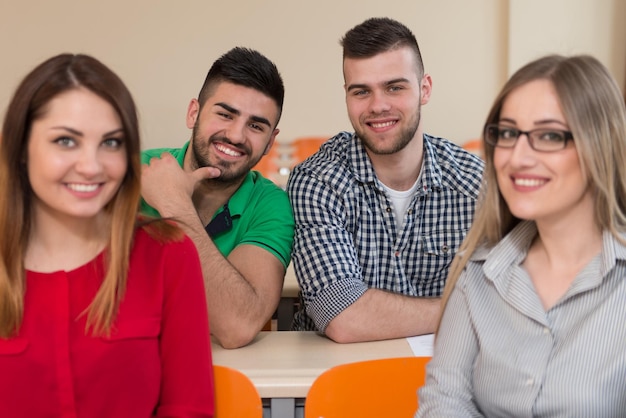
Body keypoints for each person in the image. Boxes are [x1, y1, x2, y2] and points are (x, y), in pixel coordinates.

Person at [0, 54, 214, 417]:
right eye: (66, 141)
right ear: (21, 149)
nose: (92, 166)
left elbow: (188, 407)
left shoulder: (168, 255)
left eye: (111, 143)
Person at [416, 55, 626, 416]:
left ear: (599, 146)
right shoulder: (478, 274)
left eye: (548, 136)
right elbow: (444, 402)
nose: (518, 157)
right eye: (509, 133)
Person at [287, 17, 484, 343]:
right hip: (336, 380)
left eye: (395, 87)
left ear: (425, 89)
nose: (378, 106)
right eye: (361, 91)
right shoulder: (317, 182)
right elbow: (343, 317)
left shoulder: (475, 183)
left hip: (440, 379)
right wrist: (467, 311)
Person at [141, 47, 294, 349]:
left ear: (270, 142)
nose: (236, 136)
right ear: (193, 113)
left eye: (255, 126)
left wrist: (175, 206)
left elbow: (237, 326)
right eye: (225, 114)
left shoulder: (271, 206)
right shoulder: (132, 172)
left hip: (223, 375)